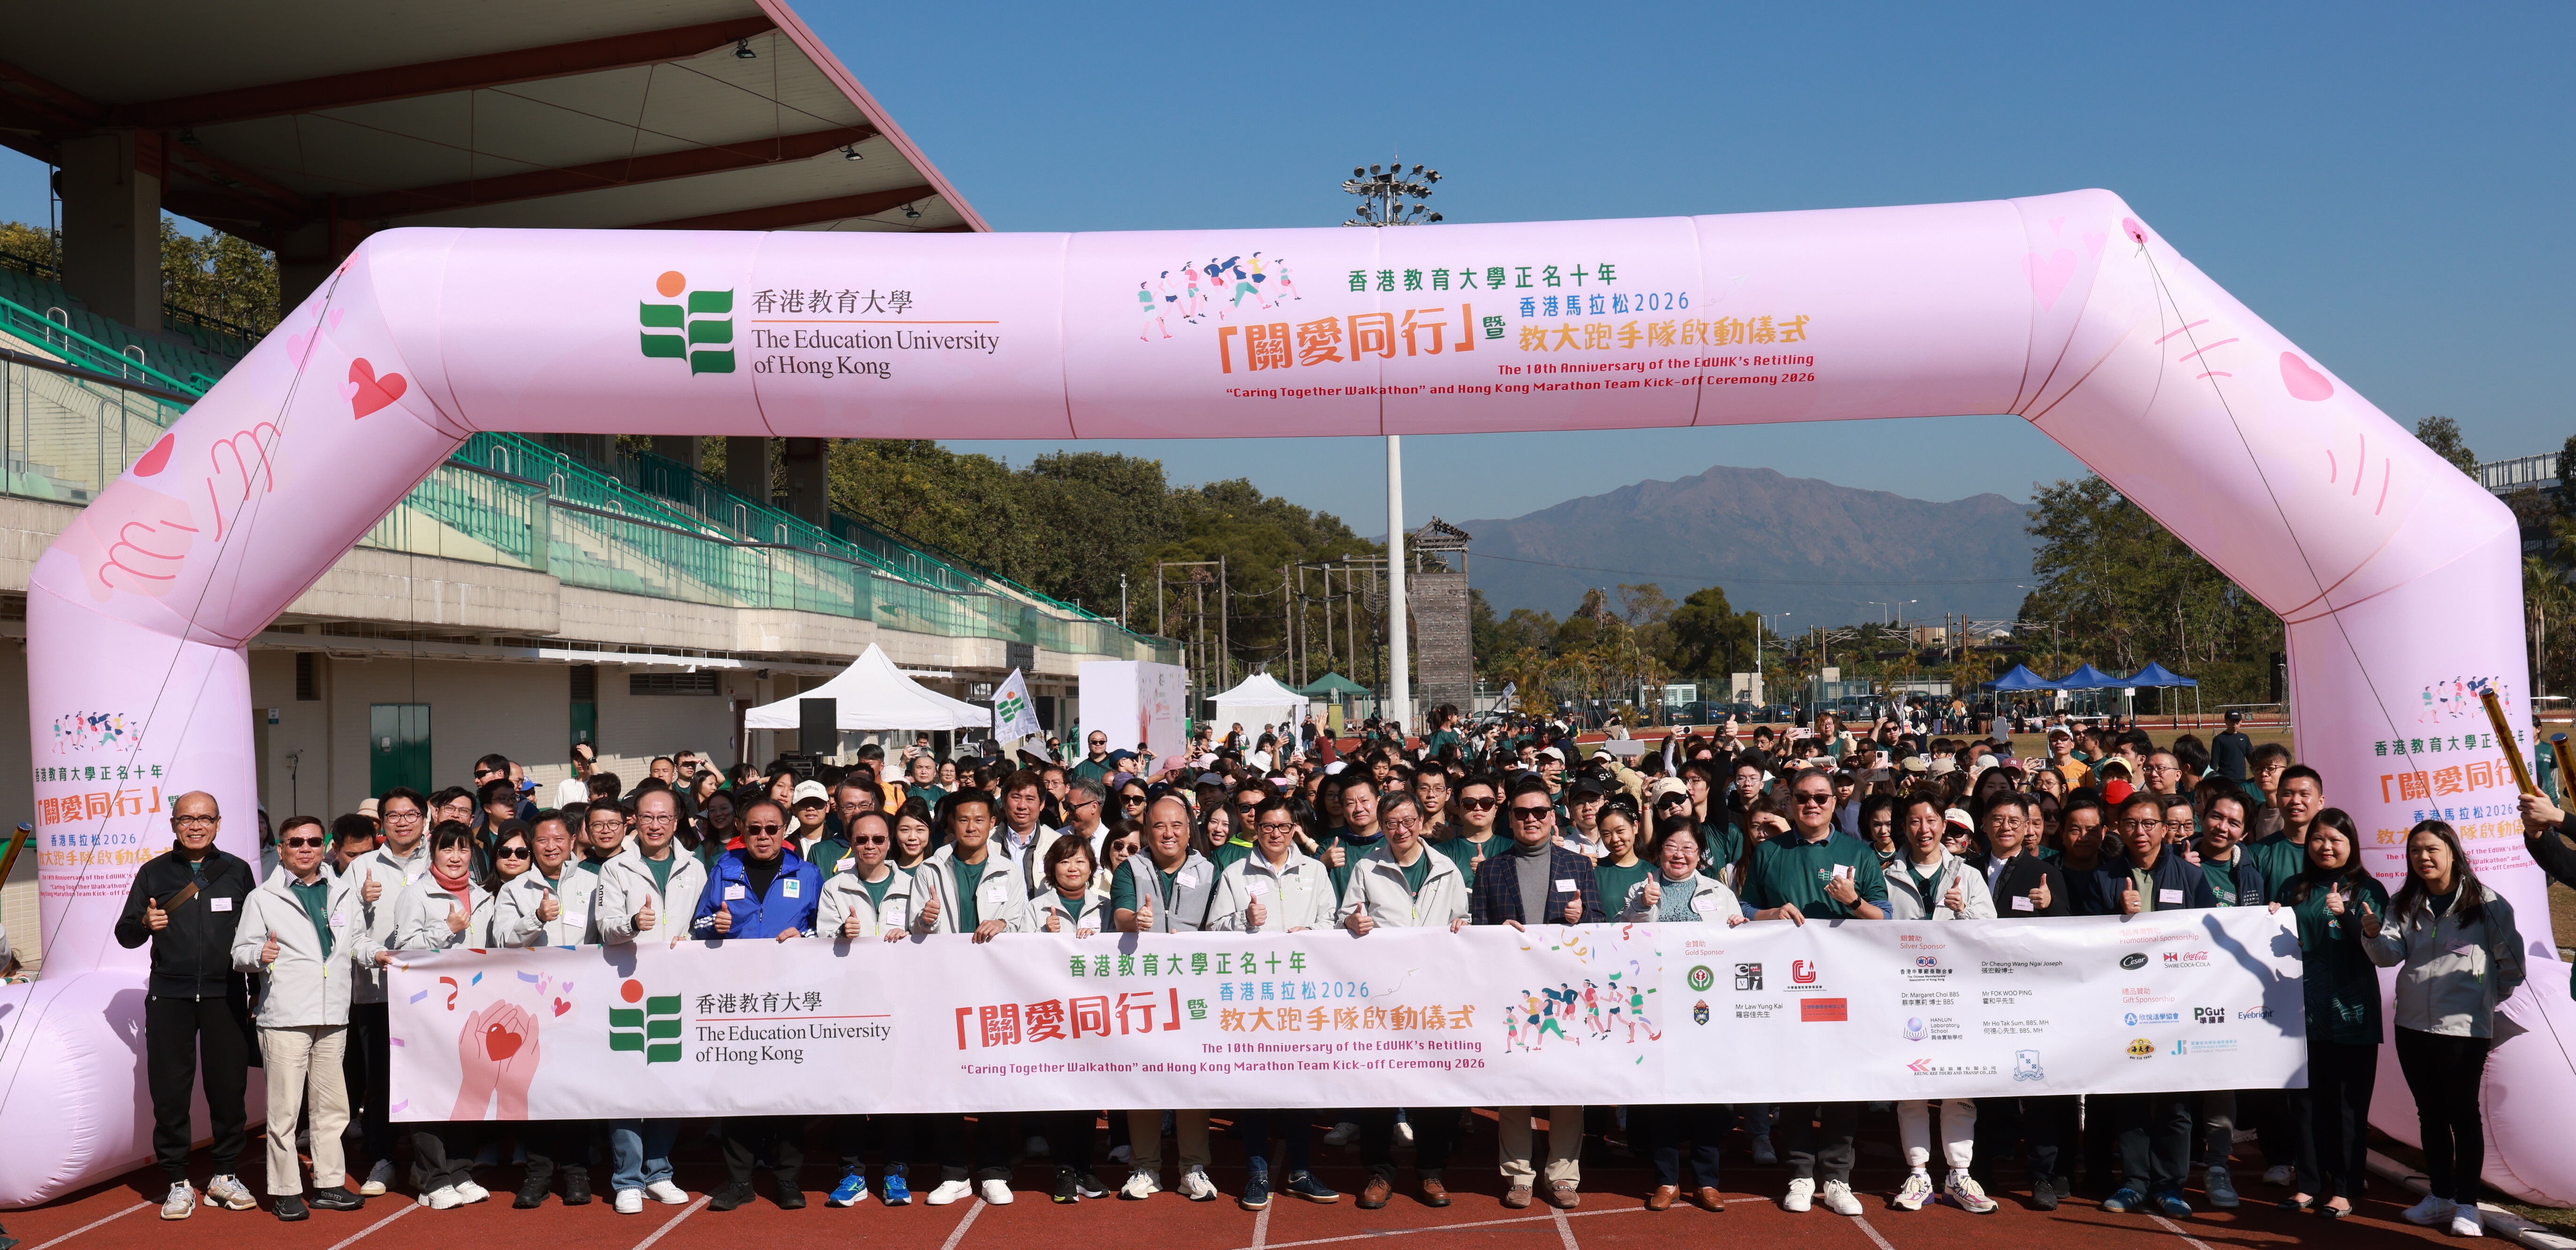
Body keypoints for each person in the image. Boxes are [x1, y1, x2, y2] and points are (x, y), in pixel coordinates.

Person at [2363, 819, 2524, 1237]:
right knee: (2430, 1113)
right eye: (2416, 851)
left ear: (2453, 852)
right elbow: (2388, 956)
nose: (2424, 857)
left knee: (2463, 1115)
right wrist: (2371, 934)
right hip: (2412, 1024)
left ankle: (2467, 1205)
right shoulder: (2404, 902)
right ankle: (2440, 1196)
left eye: (2432, 849)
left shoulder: (2487, 904)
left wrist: (2481, 1000)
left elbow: (2512, 966)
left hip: (2464, 1030)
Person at [1744, 769, 1885, 1217]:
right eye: (1803, 797)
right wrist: (1770, 913)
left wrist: (1853, 902)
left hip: (1843, 985)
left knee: (1842, 1081)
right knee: (1797, 1079)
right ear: (1790, 803)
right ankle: (1801, 1173)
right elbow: (1743, 908)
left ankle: (1839, 1177)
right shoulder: (1769, 852)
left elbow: (1884, 917)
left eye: (1821, 797)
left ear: (1834, 802)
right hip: (1787, 986)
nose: (1812, 804)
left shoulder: (1858, 853)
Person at [115, 791, 260, 1221]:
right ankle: (177, 1181)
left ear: (218, 823)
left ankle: (225, 1175)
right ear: (174, 825)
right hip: (169, 997)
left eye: (205, 819)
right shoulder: (154, 871)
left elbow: (253, 935)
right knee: (170, 1093)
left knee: (228, 1091)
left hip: (225, 995)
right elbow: (126, 934)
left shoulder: (237, 870)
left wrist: (256, 992)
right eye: (187, 819)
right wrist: (146, 923)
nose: (196, 826)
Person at [1466, 776, 1602, 1208]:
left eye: (1540, 812)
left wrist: (1583, 916)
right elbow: (1479, 934)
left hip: (1566, 995)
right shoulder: (1491, 870)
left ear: (1552, 816)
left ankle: (1563, 1176)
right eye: (1522, 813)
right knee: (1514, 1087)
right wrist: (1497, 934)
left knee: (1567, 1086)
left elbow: (1601, 925)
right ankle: (1519, 1175)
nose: (1531, 819)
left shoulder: (1579, 866)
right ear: (1510, 819)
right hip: (1512, 994)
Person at [1199, 795, 1341, 1208]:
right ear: (1254, 830)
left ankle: (1300, 1172)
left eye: (1283, 827)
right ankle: (1257, 1174)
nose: (1275, 834)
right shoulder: (1235, 873)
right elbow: (1213, 929)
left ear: (1294, 829)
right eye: (1267, 827)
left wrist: (1312, 933)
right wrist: (1243, 920)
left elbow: (1332, 920)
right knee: (1256, 1087)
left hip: (1302, 995)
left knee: (1299, 1085)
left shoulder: (1314, 871)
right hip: (1254, 997)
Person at [230, 814, 375, 1220]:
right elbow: (240, 953)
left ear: (323, 846)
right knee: (285, 1113)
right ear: (281, 849)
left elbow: (357, 942)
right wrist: (259, 955)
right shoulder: (262, 897)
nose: (306, 849)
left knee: (333, 1109)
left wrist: (378, 954)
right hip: (285, 1018)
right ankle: (285, 1190)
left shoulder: (343, 891)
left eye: (313, 841)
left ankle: (329, 1184)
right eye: (296, 842)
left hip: (333, 1015)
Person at [1339, 789, 1473, 1210]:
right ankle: (1380, 1173)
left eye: (1409, 821)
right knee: (1378, 1088)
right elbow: (1343, 918)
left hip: (1434, 996)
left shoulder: (1446, 868)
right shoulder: (1366, 867)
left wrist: (1462, 926)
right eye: (1392, 823)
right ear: (1382, 826)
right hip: (1382, 999)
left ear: (1421, 822)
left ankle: (1431, 1171)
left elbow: (1464, 919)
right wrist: (1352, 922)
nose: (1401, 830)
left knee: (1433, 1089)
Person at [691, 798, 820, 1211]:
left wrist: (806, 937)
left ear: (785, 831)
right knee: (738, 1092)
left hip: (791, 999)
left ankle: (787, 1180)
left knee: (788, 1093)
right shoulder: (723, 869)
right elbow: (698, 925)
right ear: (742, 831)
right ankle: (739, 1181)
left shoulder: (808, 874)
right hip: (738, 998)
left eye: (772, 829)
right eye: (755, 829)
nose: (763, 836)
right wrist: (715, 926)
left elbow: (825, 929)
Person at [1878, 796, 1999, 1214]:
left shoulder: (1969, 874)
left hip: (1957, 998)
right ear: (1904, 827)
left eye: (1931, 820)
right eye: (1915, 821)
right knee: (1911, 1085)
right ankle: (1918, 1173)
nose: (1924, 829)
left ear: (1943, 825)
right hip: (1905, 997)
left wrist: (1963, 912)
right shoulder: (1886, 876)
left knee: (1958, 1085)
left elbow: (1991, 935)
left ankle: (1959, 1174)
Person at [911, 792, 1029, 1205]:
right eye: (963, 820)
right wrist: (923, 920)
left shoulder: (1009, 870)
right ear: (951, 825)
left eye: (980, 819)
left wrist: (1004, 924)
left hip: (993, 988)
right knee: (946, 1079)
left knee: (992, 1077)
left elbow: (1023, 923)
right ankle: (954, 1173)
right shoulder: (930, 868)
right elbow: (915, 930)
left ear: (993, 823)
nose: (972, 827)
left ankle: (995, 1172)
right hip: (943, 987)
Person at [592, 788, 705, 1214]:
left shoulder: (695, 868)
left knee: (668, 1082)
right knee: (625, 1084)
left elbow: (702, 922)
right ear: (634, 821)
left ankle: (659, 1172)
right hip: (627, 987)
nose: (655, 825)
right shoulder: (615, 868)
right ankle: (627, 1180)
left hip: (677, 988)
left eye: (663, 818)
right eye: (646, 817)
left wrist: (695, 937)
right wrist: (632, 924)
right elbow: (605, 926)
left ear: (676, 822)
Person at [2269, 808, 2384, 1218]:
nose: (2326, 847)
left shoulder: (2368, 889)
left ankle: (2346, 1188)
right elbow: (2274, 941)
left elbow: (2377, 949)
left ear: (2352, 844)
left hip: (2352, 1014)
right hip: (2301, 1012)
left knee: (2348, 1106)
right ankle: (2309, 1184)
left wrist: (2346, 915)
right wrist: (2268, 919)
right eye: (2319, 839)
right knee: (2305, 1104)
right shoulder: (2293, 888)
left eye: (2336, 840)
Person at [1112, 794, 1220, 1202]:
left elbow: (1220, 923)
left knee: (1192, 1076)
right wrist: (1135, 920)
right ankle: (1145, 1167)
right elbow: (1121, 914)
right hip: (1142, 988)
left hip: (1194, 987)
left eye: (1177, 825)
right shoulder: (1131, 868)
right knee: (1144, 1076)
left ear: (1190, 830)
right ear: (1147, 831)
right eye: (1159, 826)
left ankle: (1193, 1167)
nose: (1169, 833)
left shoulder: (1210, 870)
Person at [387, 823, 494, 1209]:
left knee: (465, 1090)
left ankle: (461, 1171)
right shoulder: (415, 894)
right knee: (429, 1092)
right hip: (427, 1011)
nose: (455, 857)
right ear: (433, 853)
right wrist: (445, 930)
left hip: (472, 1010)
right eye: (447, 849)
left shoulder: (483, 896)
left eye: (463, 849)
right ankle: (432, 1178)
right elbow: (403, 950)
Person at [2210, 711, 2253, 785]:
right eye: (2232, 721)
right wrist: (2211, 778)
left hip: (2241, 778)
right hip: (2225, 778)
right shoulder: (2219, 739)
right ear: (2226, 721)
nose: (2235, 723)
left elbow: (2252, 758)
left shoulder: (2245, 738)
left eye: (2237, 721)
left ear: (2241, 722)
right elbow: (2214, 761)